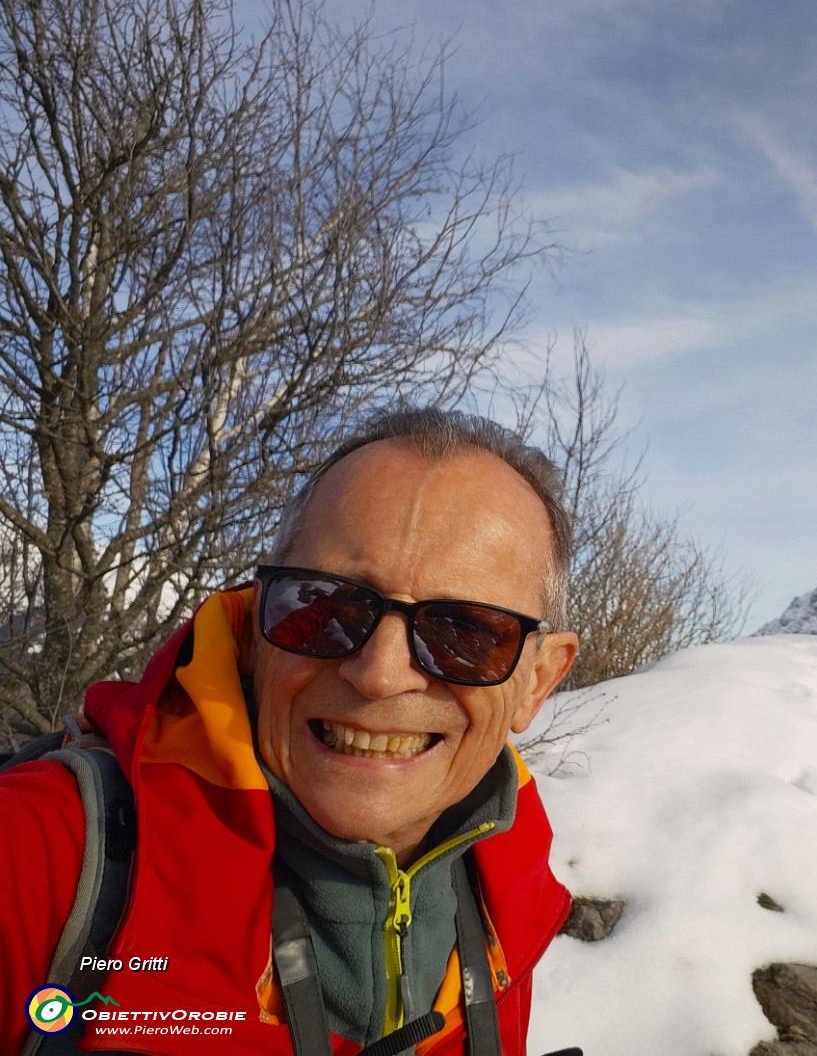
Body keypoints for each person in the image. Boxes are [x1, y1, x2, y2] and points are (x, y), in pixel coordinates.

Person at [0, 410, 581, 1055]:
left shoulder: (508, 899)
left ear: (537, 680)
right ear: (253, 627)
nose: (379, 674)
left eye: (465, 632)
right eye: (323, 606)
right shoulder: (41, 860)